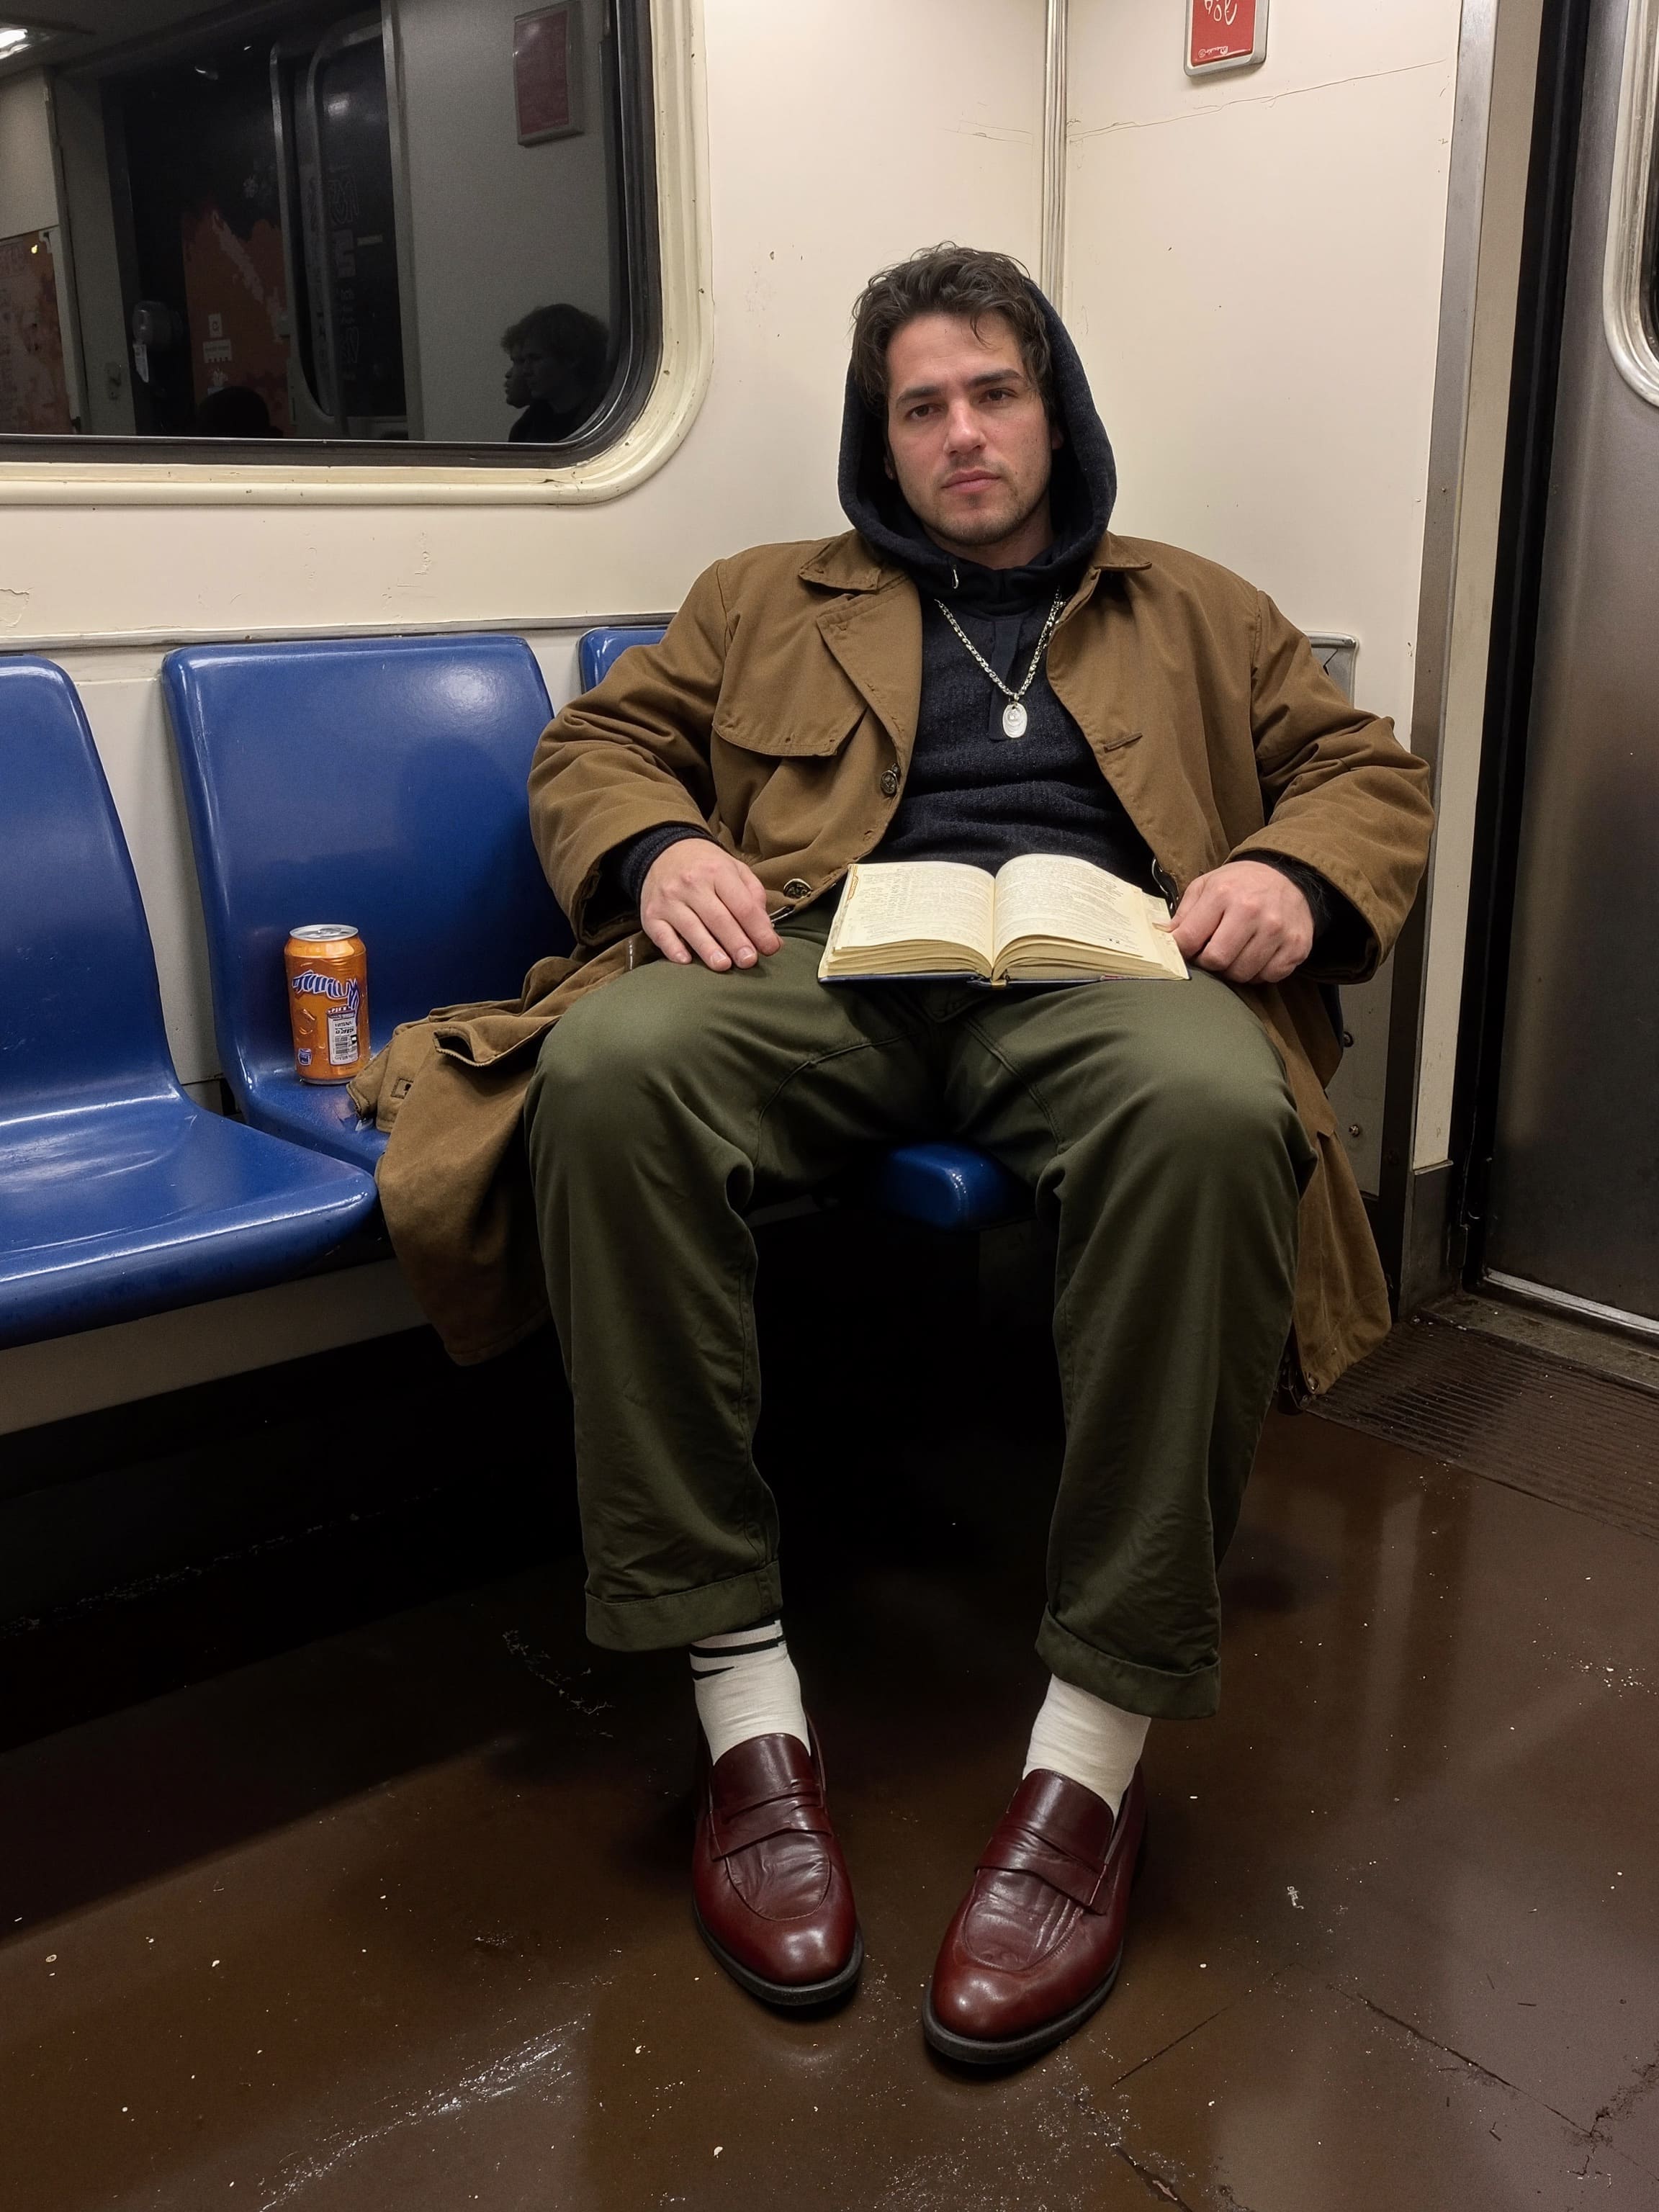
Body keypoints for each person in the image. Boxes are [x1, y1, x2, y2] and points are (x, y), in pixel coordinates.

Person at [351, 244, 1432, 2067]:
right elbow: (605, 743)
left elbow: (1364, 772)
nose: (962, 433)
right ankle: (740, 1702)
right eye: (920, 404)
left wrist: (1287, 873)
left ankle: (1090, 1760)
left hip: (1101, 967)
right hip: (818, 956)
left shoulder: (1194, 602)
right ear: (881, 437)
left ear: (1054, 407)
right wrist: (655, 851)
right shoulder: (763, 593)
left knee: (1216, 1110)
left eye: (993, 392)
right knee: (610, 1067)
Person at [499, 303, 608, 442]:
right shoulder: (527, 427)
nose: (526, 371)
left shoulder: (606, 422)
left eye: (536, 359)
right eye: (523, 360)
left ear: (571, 358)